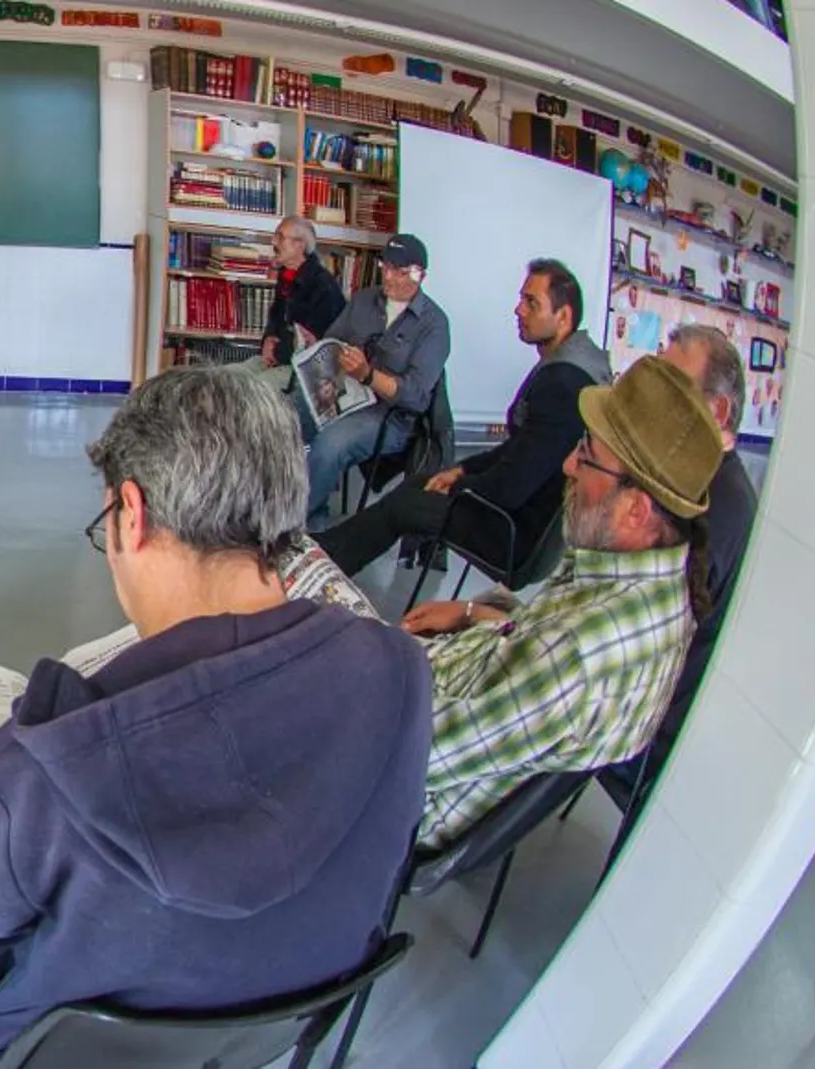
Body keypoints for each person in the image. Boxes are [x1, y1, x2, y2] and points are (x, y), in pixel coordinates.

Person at [0, 368, 433, 1065]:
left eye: (106, 526)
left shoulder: (45, 766)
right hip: (274, 1026)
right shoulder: (401, 669)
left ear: (133, 510)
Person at [405, 355, 723, 849]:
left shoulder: (583, 649)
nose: (568, 465)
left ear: (637, 509)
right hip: (441, 695)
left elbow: (414, 755)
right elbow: (535, 657)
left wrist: (360, 682)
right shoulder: (646, 586)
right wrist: (474, 614)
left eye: (586, 453)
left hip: (404, 788)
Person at [316, 259, 610, 575]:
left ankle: (324, 565)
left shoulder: (564, 384)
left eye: (531, 303)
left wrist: (459, 485)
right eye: (521, 299)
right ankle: (326, 551)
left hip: (512, 532)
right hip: (511, 510)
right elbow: (518, 451)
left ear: (562, 317)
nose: (518, 310)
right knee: (420, 483)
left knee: (404, 506)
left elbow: (511, 486)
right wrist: (461, 470)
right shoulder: (574, 366)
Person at [601, 325, 754, 802]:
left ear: (718, 410)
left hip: (634, 718)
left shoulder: (717, 511)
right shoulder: (688, 484)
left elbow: (621, 638)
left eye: (672, 386)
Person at [301, 233, 451, 529]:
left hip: (387, 414)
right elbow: (333, 341)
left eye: (400, 271)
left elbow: (416, 396)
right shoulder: (364, 300)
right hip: (342, 391)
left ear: (420, 275)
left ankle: (290, 523)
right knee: (278, 419)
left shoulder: (434, 325)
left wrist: (368, 375)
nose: (390, 277)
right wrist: (315, 349)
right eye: (386, 267)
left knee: (331, 444)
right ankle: (305, 512)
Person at [248, 216, 347, 386]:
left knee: (254, 387)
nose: (273, 241)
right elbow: (276, 315)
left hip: (308, 369)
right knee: (231, 376)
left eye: (280, 237)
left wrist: (276, 352)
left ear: (299, 245)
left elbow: (311, 342)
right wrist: (268, 339)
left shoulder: (322, 286)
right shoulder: (286, 275)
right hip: (281, 357)